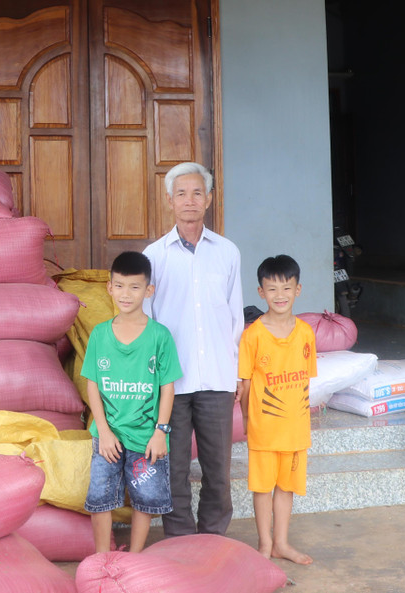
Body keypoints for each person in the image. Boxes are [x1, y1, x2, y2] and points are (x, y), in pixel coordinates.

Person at [143, 162, 244, 537]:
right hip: (171, 383)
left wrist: (236, 373)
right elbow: (148, 321)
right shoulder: (155, 256)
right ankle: (181, 541)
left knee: (218, 468)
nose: (190, 200)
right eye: (181, 193)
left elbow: (235, 316)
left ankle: (214, 537)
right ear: (170, 201)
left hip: (217, 377)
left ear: (209, 199)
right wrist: (151, 379)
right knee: (175, 468)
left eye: (197, 193)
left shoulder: (227, 252)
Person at [82, 251, 182, 553]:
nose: (126, 294)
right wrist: (104, 431)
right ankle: (102, 558)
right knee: (100, 497)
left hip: (146, 437)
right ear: (110, 288)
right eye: (120, 286)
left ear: (148, 290)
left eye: (135, 287)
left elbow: (168, 388)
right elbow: (92, 386)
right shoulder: (100, 335)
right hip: (108, 436)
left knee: (146, 497)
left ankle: (135, 557)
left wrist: (160, 431)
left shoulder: (159, 337)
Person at [237, 255, 317, 564]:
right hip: (264, 430)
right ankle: (264, 543)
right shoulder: (253, 335)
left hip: (296, 431)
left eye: (286, 288)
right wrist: (246, 420)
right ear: (260, 292)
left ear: (298, 290)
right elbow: (244, 385)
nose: (279, 295)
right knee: (263, 488)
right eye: (272, 289)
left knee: (287, 488)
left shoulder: (306, 334)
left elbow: (307, 382)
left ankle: (282, 542)